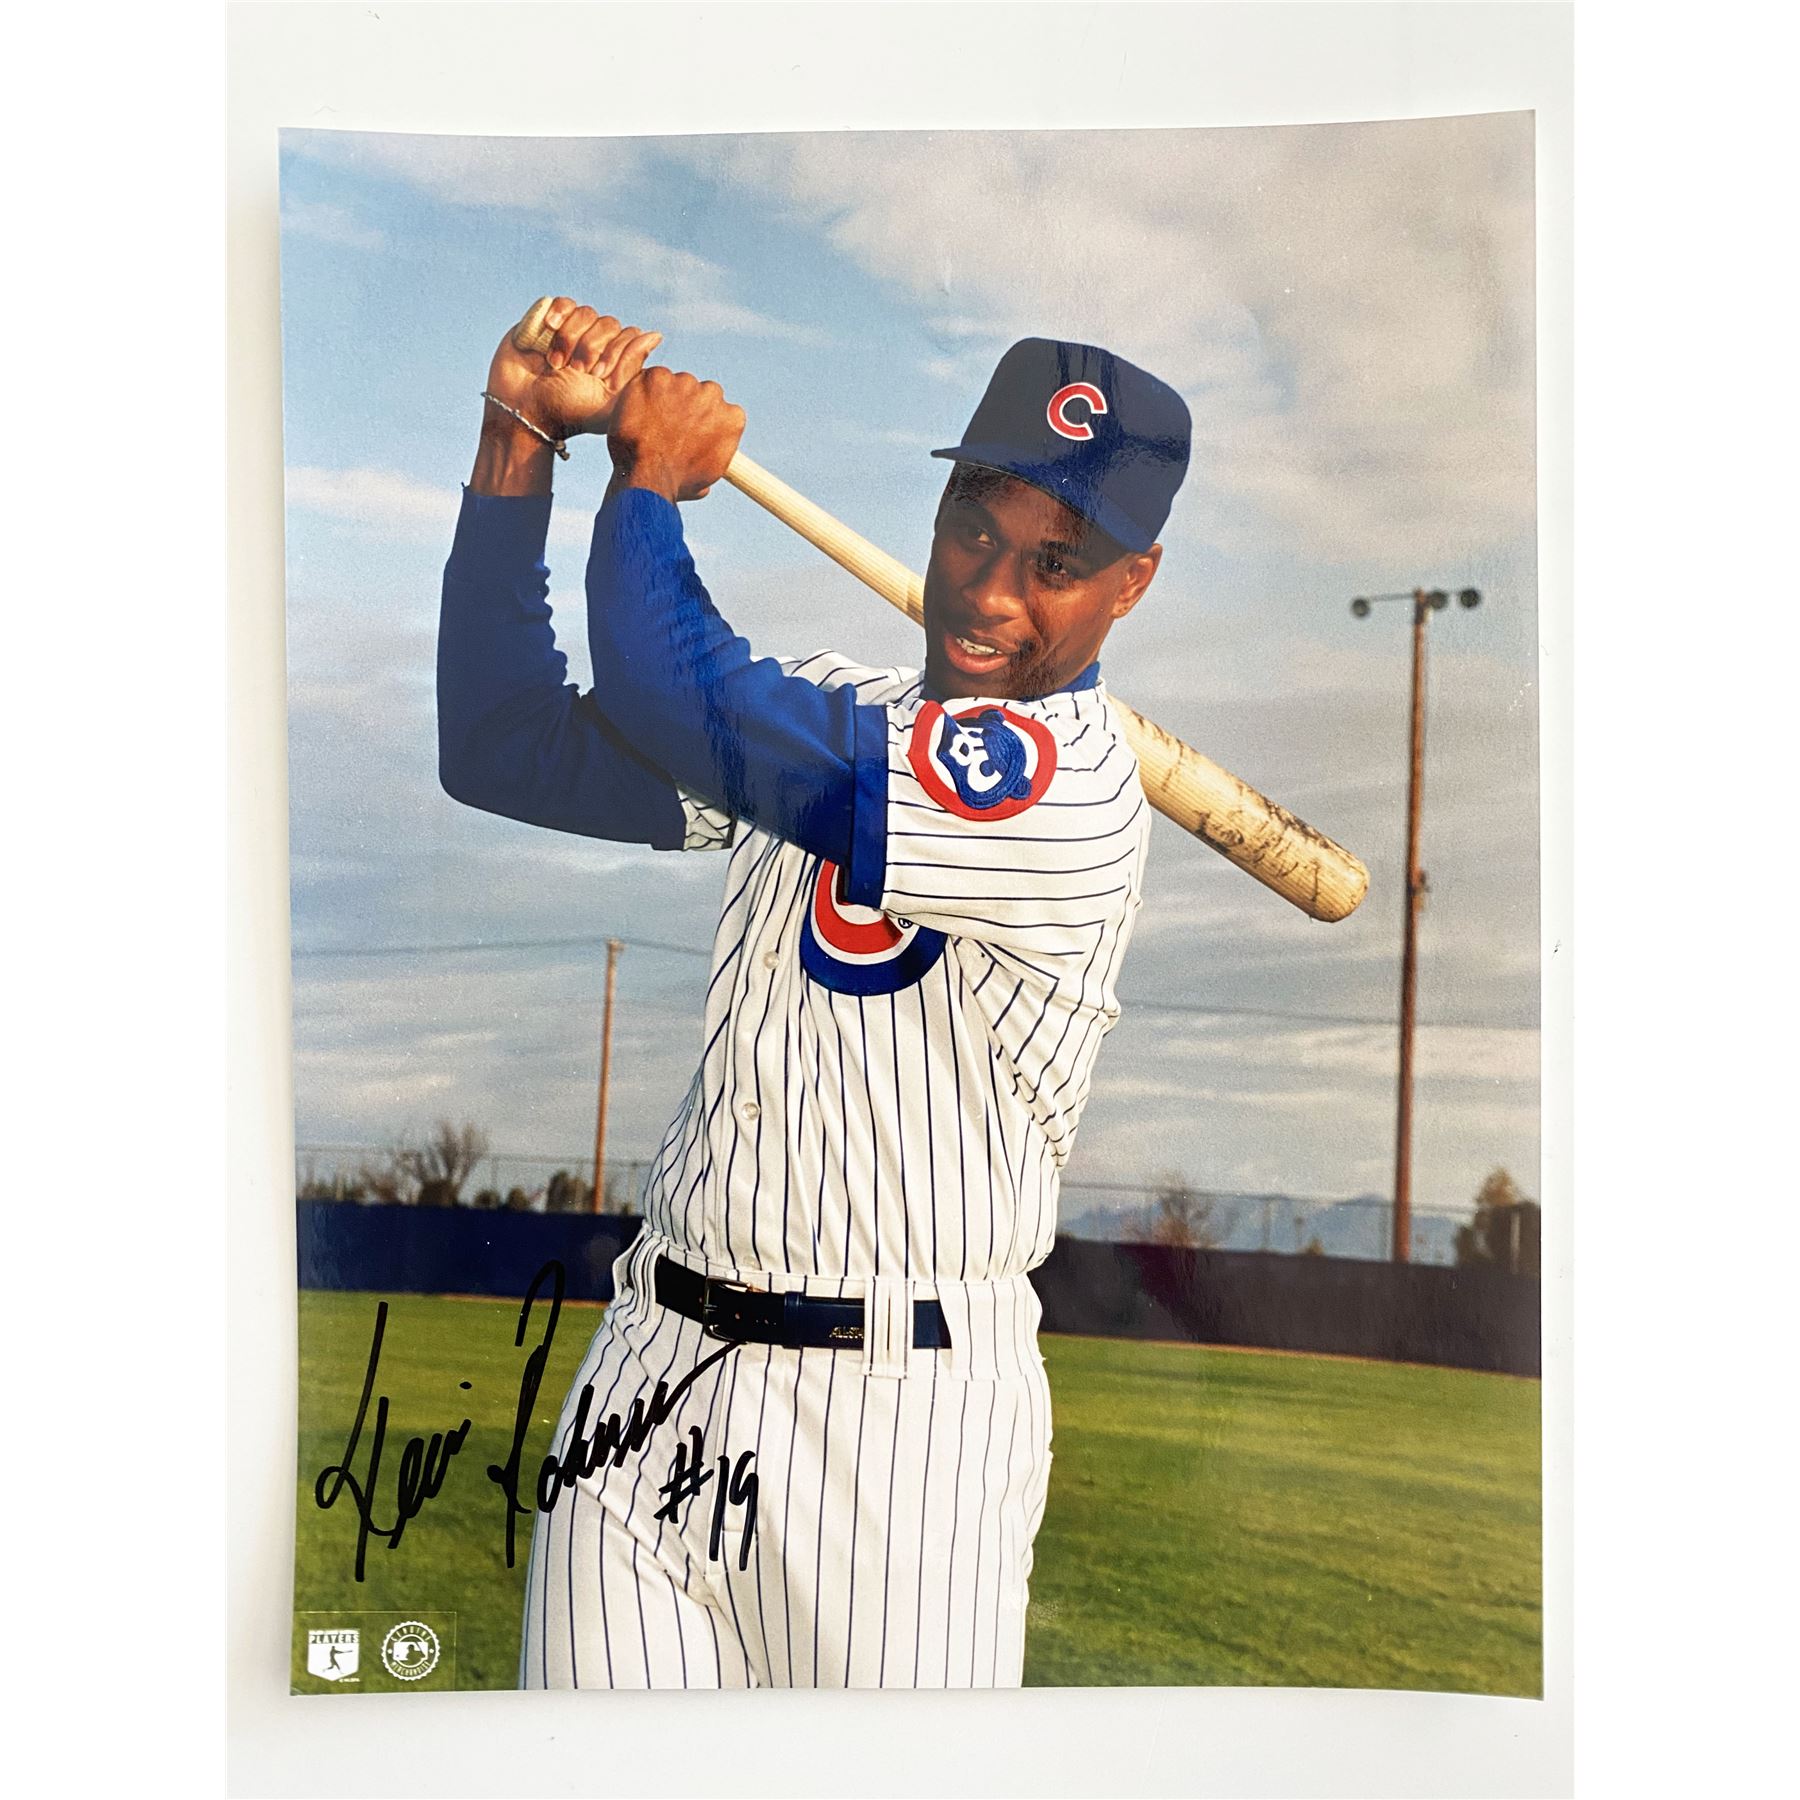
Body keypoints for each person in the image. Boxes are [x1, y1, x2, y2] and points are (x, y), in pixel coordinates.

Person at [438, 297, 1191, 1688]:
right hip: (651, 1372)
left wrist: (652, 482)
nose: (992, 592)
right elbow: (501, 743)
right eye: (975, 529)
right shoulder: (833, 709)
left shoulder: (1076, 792)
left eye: (1058, 562)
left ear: (1130, 584)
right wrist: (520, 437)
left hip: (898, 1430)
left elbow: (680, 693)